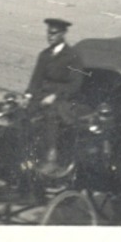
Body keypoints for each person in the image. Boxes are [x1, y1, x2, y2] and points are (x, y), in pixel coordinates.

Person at [26, 18, 81, 173]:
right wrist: (28, 96)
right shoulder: (44, 55)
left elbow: (75, 84)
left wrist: (55, 96)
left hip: (62, 101)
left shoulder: (72, 57)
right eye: (48, 33)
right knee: (20, 113)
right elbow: (35, 81)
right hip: (41, 97)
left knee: (51, 115)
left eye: (54, 33)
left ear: (63, 34)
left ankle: (52, 157)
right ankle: (24, 154)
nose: (50, 36)